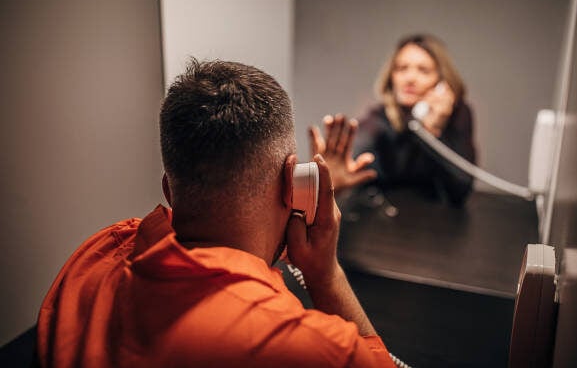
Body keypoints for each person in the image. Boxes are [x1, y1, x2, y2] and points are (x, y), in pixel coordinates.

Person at [35, 60, 396, 368]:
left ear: (168, 189)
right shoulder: (302, 343)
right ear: (294, 182)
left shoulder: (93, 254)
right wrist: (325, 274)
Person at [310, 34, 477, 206]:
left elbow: (460, 190)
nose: (410, 78)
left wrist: (432, 131)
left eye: (423, 70)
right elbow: (363, 139)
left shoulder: (458, 115)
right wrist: (333, 175)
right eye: (401, 68)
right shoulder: (380, 118)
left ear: (441, 81)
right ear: (391, 76)